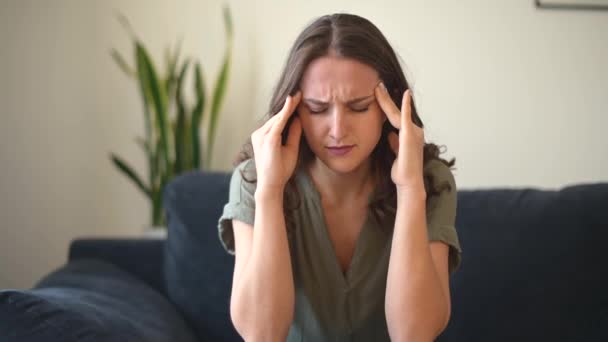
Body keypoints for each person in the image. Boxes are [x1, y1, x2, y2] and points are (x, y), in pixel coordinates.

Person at [217, 13, 462, 342]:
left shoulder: (429, 179)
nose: (337, 131)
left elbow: (415, 334)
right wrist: (270, 192)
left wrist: (409, 189)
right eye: (317, 109)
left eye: (359, 107)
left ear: (388, 107)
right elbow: (261, 336)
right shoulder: (253, 179)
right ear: (292, 111)